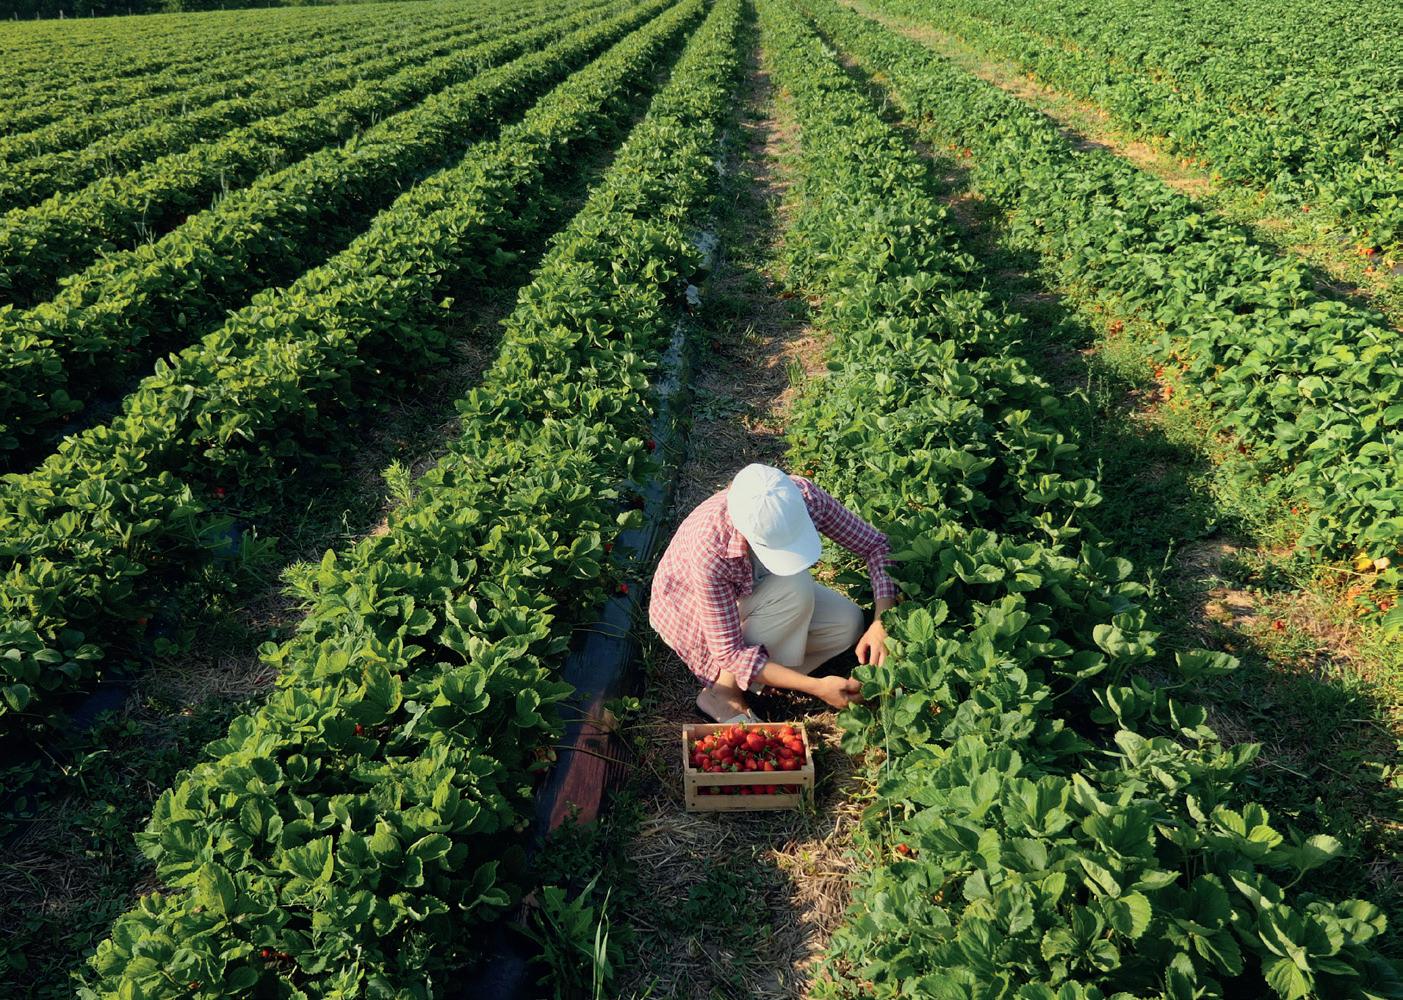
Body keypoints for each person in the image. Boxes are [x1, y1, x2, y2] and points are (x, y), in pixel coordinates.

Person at [649, 463, 897, 724]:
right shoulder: (711, 548)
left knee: (847, 623)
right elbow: (728, 652)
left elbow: (876, 545)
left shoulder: (802, 497)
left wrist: (882, 621)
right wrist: (816, 687)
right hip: (691, 611)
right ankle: (723, 692)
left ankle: (764, 676)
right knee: (795, 588)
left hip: (760, 588)